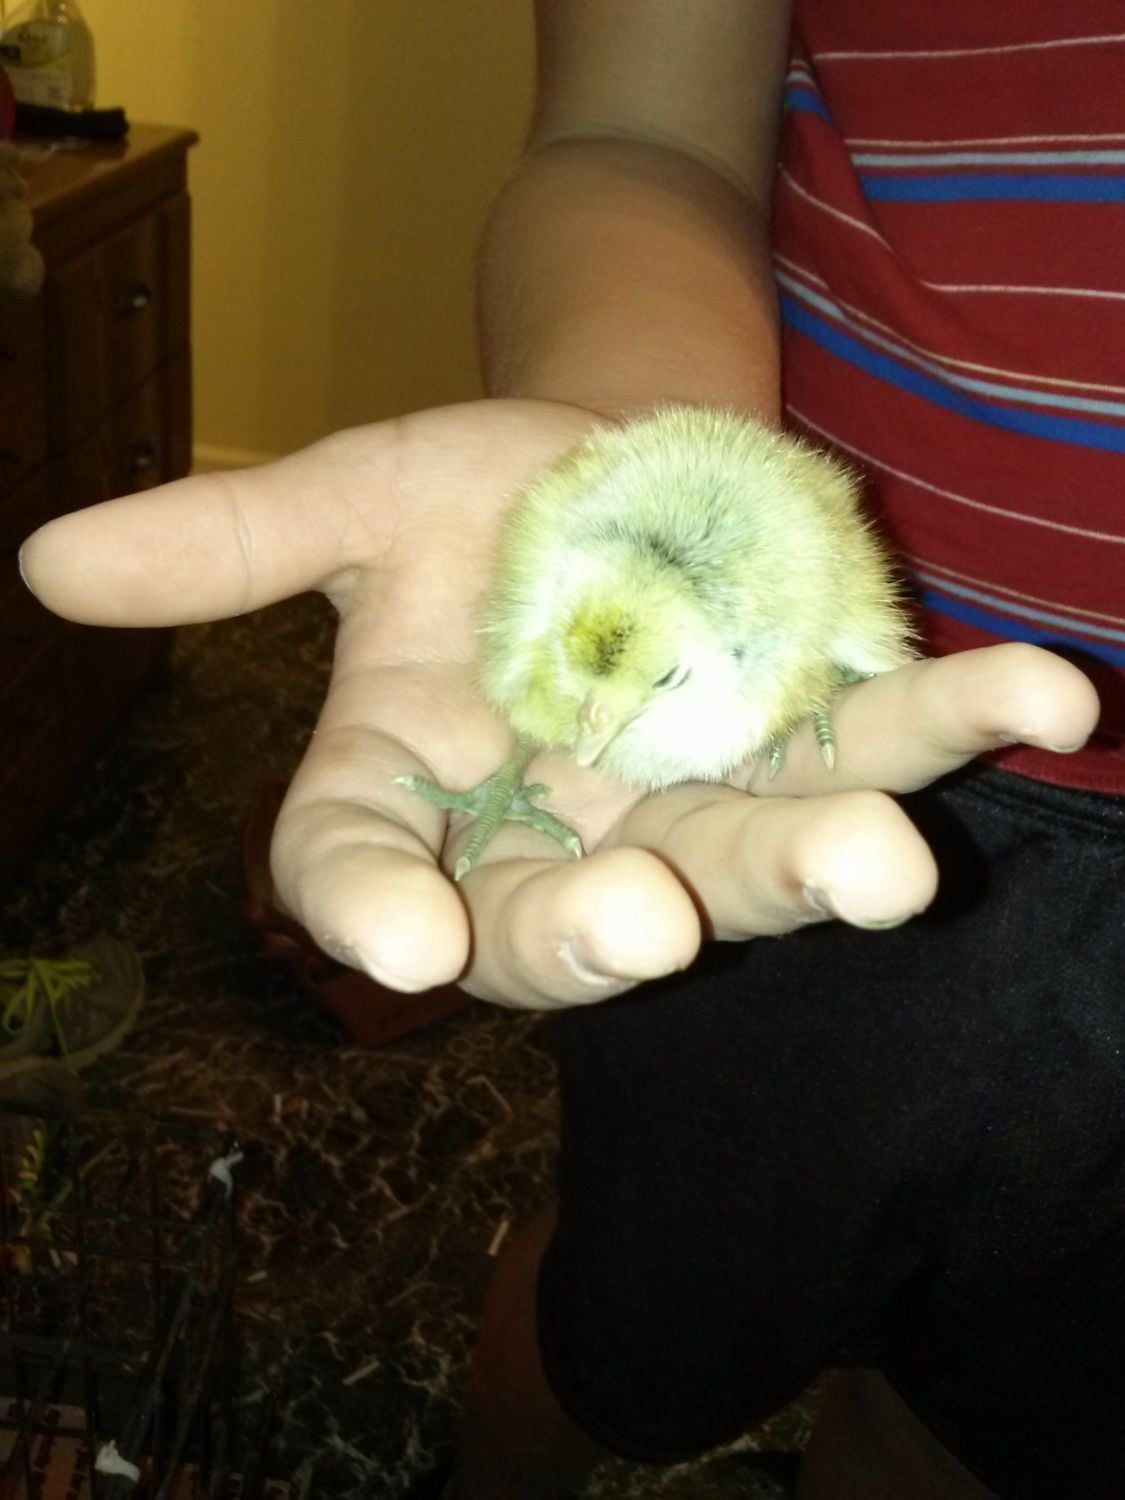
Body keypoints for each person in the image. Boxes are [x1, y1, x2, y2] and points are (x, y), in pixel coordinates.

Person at [19, 3, 1124, 1496]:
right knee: (649, 1280)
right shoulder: (614, 630)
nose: (587, 720)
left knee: (1018, 1404)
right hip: (808, 796)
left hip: (839, 701)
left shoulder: (781, 619)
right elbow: (637, 133)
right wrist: (606, 415)